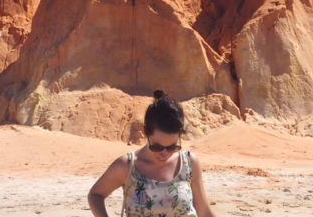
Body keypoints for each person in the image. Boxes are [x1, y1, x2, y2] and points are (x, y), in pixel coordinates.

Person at [88, 90, 219, 217]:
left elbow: (204, 212)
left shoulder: (189, 163)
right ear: (145, 132)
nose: (164, 153)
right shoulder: (127, 165)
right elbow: (95, 195)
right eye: (157, 147)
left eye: (172, 147)